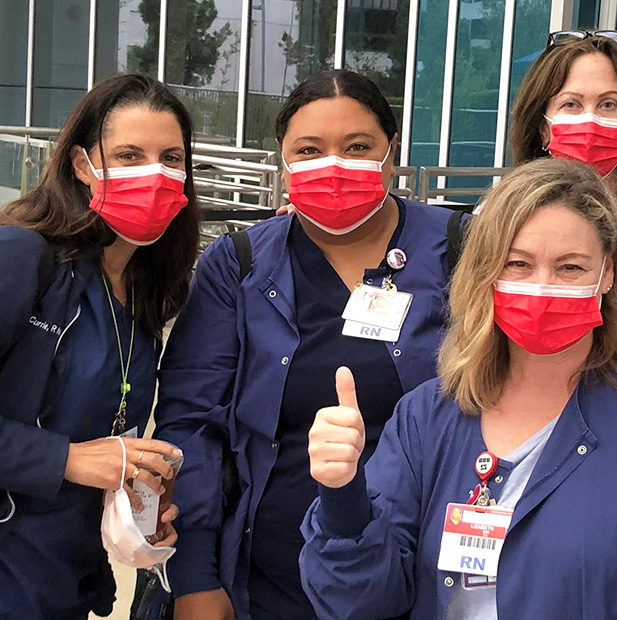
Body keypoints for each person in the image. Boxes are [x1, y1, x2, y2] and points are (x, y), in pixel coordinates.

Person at [300, 158, 617, 619]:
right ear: (486, 272)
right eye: (518, 264)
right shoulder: (429, 417)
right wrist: (343, 499)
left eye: (570, 267)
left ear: (607, 274)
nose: (543, 285)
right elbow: (361, 602)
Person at [153, 69, 459, 620]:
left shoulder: (459, 251)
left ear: (391, 151)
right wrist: (195, 578)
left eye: (357, 146)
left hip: (423, 577)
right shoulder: (239, 265)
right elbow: (191, 422)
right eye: (310, 150)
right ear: (284, 159)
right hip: (269, 581)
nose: (334, 165)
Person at [0, 73, 200, 618]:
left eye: (170, 158)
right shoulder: (17, 258)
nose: (153, 174)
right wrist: (68, 459)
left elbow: (105, 435)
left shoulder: (143, 297)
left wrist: (135, 501)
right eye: (129, 155)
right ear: (84, 165)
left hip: (60, 584)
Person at [509, 29, 617, 276]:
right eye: (571, 104)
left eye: (608, 104)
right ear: (542, 127)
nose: (590, 119)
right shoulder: (499, 219)